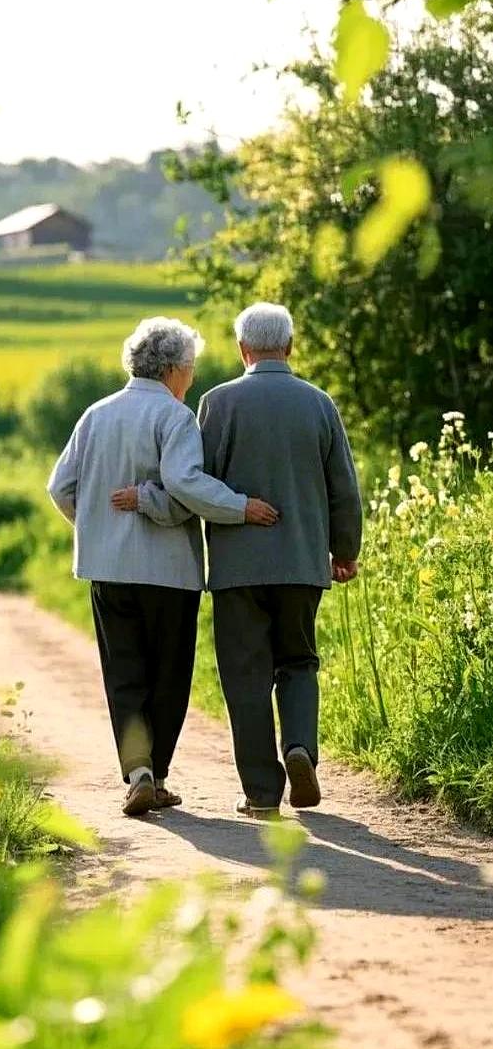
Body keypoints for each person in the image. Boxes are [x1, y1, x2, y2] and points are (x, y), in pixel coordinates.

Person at [125, 302, 362, 818]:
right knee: (298, 660)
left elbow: (195, 482)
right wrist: (344, 551)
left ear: (242, 349)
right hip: (302, 563)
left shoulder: (217, 403)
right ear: (290, 347)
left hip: (237, 570)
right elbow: (343, 487)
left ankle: (260, 792)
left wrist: (147, 501)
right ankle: (299, 747)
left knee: (245, 676)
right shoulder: (319, 404)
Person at [46, 316, 279, 818]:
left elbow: (60, 487)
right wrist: (240, 507)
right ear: (173, 369)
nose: (192, 379)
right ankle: (159, 773)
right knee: (169, 675)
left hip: (108, 569)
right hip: (170, 573)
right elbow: (185, 484)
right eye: (190, 369)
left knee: (124, 672)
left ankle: (140, 774)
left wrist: (94, 526)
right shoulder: (175, 418)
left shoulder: (95, 414)